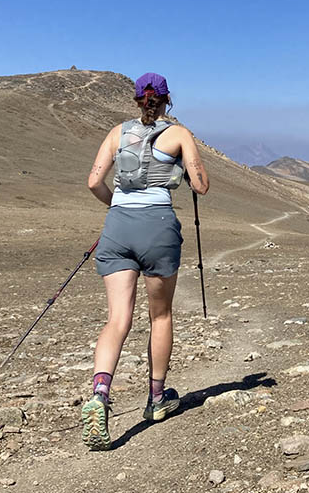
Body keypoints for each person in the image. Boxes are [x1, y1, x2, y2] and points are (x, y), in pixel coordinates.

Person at [79, 72, 210, 451]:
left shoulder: (116, 133)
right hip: (158, 227)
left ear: (138, 100)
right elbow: (200, 185)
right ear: (167, 100)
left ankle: (100, 395)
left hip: (117, 226)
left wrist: (118, 207)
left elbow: (93, 181)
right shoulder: (179, 134)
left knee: (117, 319)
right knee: (160, 316)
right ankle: (156, 398)